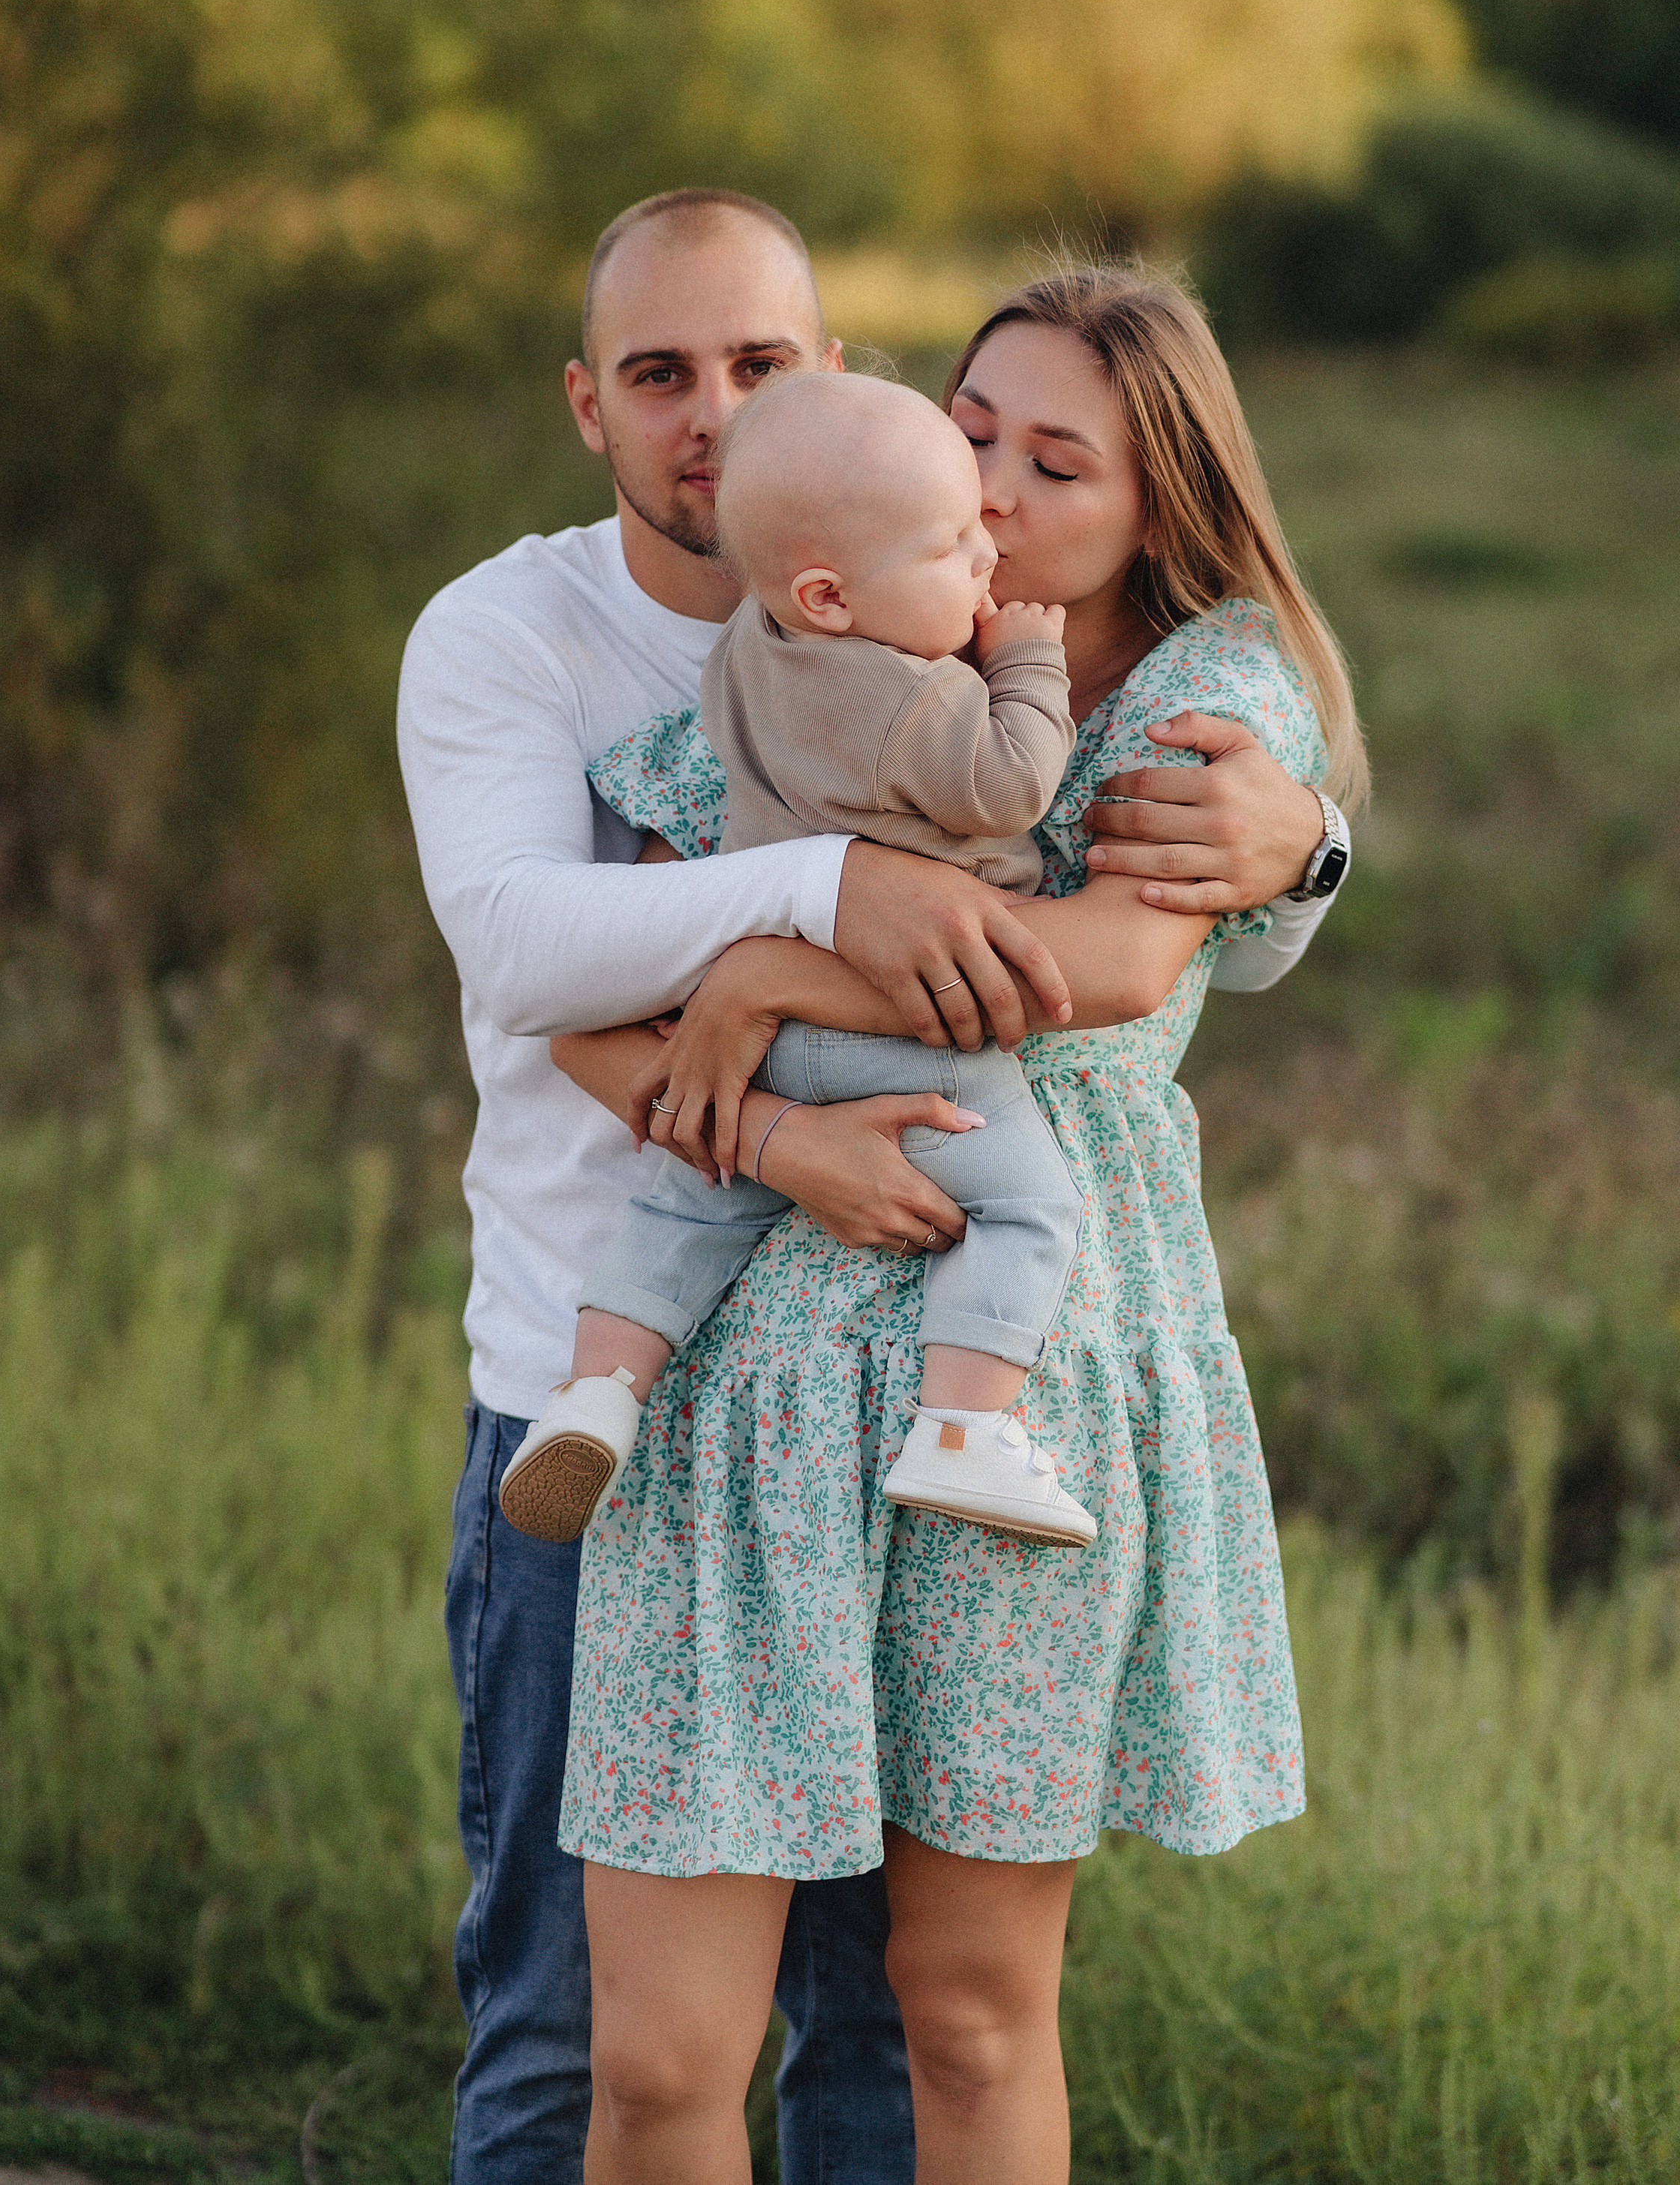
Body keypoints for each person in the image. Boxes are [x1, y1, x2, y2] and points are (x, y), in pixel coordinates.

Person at [396, 196, 1343, 2185]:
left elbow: (1108, 961)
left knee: (935, 2024)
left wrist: (757, 965)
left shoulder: (1176, 695)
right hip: (703, 1394)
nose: (989, 485)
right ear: (593, 403)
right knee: (617, 2047)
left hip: (997, 1388)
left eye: (1048, 457)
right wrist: (781, 998)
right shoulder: (651, 634)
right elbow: (556, 960)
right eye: (974, 428)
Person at [500, 368, 1098, 1549]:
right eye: (952, 547)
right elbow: (1013, 780)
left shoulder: (748, 649)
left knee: (690, 1200)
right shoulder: (918, 700)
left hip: (772, 1037)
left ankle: (597, 1391)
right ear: (829, 593)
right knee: (1029, 1199)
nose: (987, 557)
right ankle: (967, 1425)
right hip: (894, 1021)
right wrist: (1027, 663)